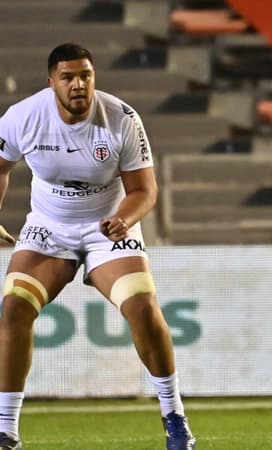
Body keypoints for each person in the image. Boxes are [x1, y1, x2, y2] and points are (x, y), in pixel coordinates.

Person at [0, 43, 195, 450]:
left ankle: (174, 416)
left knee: (142, 305)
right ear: (51, 81)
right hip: (49, 227)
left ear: (94, 78)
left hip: (109, 224)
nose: (78, 85)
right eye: (68, 77)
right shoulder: (23, 117)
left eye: (85, 75)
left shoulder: (121, 118)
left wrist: (125, 217)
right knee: (14, 307)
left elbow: (144, 189)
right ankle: (6, 429)